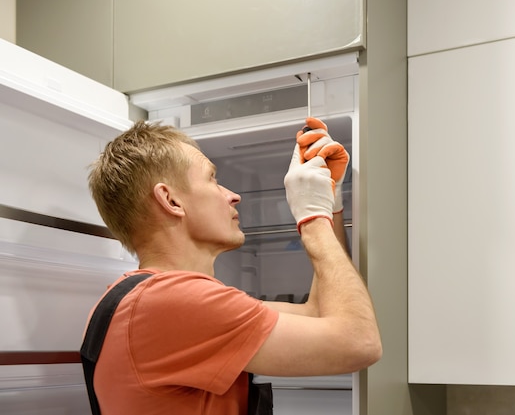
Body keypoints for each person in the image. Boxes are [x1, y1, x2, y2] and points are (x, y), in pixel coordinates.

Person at [83, 117, 382, 414]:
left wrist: (328, 206)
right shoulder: (171, 302)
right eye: (212, 179)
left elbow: (319, 314)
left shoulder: (141, 298)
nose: (233, 195)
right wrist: (312, 218)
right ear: (170, 200)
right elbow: (360, 342)